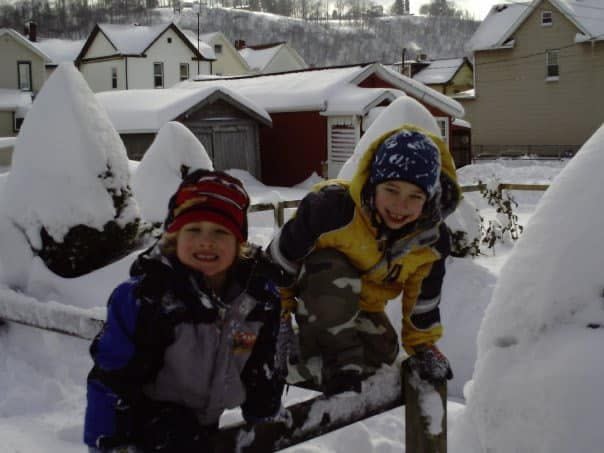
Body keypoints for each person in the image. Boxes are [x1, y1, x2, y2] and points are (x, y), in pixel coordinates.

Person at [84, 169, 286, 452]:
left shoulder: (255, 302)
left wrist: (264, 416)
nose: (206, 241)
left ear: (239, 242)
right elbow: (111, 378)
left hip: (203, 428)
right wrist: (107, 443)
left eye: (220, 231)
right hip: (145, 432)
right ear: (174, 238)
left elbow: (261, 361)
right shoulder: (148, 299)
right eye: (193, 230)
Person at [269, 125, 461, 395]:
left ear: (429, 200)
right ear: (373, 183)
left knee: (383, 352)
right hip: (317, 295)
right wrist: (279, 320)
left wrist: (423, 346)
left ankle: (304, 363)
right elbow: (279, 263)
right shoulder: (332, 210)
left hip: (362, 306)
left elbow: (423, 301)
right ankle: (338, 368)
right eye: (391, 190)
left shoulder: (429, 241)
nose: (400, 206)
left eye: (414, 196)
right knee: (333, 271)